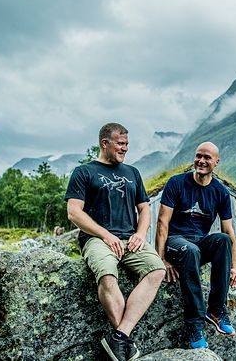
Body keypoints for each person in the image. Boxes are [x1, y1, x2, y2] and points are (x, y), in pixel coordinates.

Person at [65, 123, 165, 361]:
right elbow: (74, 212)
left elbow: (145, 209)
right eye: (120, 143)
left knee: (157, 270)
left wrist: (140, 234)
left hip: (130, 239)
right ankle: (125, 341)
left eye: (127, 144)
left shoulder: (132, 173)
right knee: (108, 275)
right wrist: (105, 235)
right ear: (104, 143)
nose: (125, 148)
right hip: (97, 239)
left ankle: (120, 335)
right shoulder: (84, 172)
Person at [155, 141, 236, 349]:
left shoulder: (220, 192)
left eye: (207, 158)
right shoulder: (176, 183)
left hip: (199, 243)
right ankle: (195, 325)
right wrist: (162, 259)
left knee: (222, 240)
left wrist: (235, 266)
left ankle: (216, 310)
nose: (201, 161)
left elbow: (228, 231)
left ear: (216, 162)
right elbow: (162, 222)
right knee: (191, 250)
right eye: (198, 156)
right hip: (176, 242)